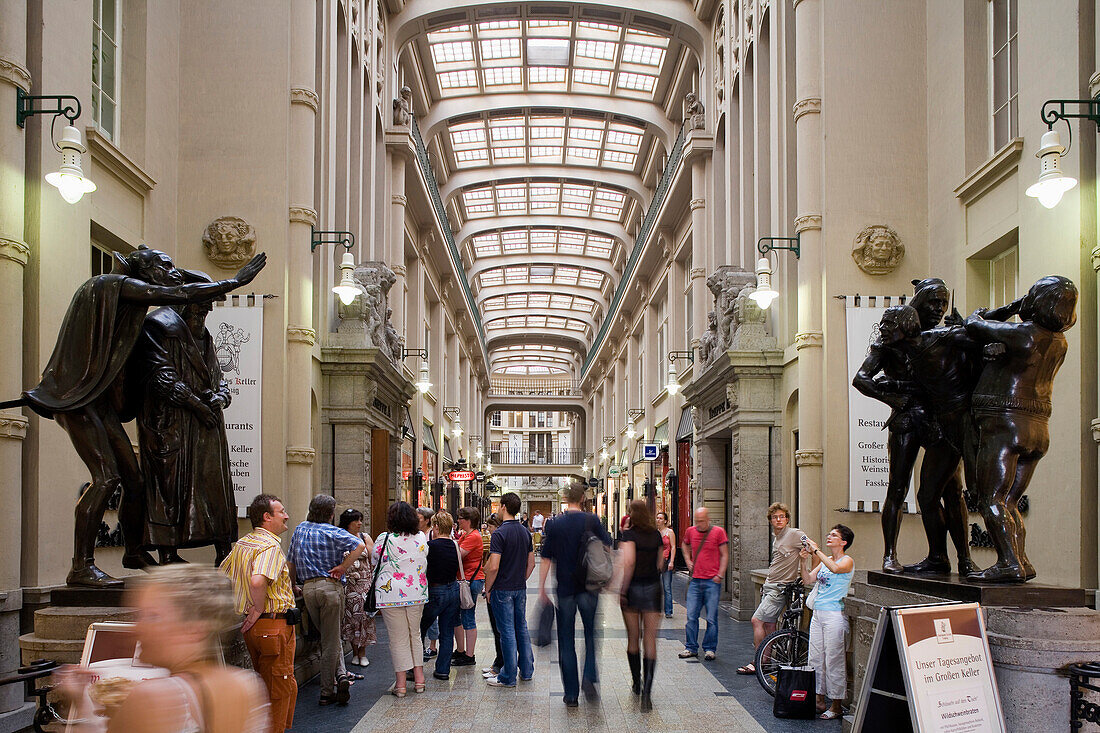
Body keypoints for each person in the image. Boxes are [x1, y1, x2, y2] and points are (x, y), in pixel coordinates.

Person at [12, 246, 265, 587]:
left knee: (135, 480)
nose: (171, 270)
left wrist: (212, 397)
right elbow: (174, 296)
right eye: (164, 265)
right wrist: (235, 281)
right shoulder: (110, 284)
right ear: (141, 269)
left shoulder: (140, 305)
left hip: (98, 399)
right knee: (106, 479)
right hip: (76, 397)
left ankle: (133, 551)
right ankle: (81, 567)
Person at [58, 564, 270, 733]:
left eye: (153, 616)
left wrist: (80, 705)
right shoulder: (249, 685)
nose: (138, 629)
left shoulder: (154, 698)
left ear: (195, 628)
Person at [130, 273, 236, 567]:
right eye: (201, 308)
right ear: (186, 302)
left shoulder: (203, 336)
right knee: (169, 488)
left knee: (215, 488)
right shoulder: (157, 327)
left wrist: (220, 397)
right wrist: (197, 406)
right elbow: (161, 379)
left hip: (205, 428)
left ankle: (223, 548)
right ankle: (167, 551)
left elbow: (219, 378)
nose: (204, 314)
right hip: (171, 424)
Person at [219, 494, 297, 732]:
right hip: (272, 625)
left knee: (270, 684)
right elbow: (257, 581)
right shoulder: (270, 546)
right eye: (281, 511)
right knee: (278, 688)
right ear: (267, 517)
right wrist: (258, 607)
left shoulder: (244, 544)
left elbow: (223, 573)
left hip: (257, 629)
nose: (286, 516)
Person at [285, 496, 364, 707]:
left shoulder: (300, 529)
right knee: (330, 641)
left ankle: (341, 676)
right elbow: (360, 545)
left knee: (327, 637)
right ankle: (327, 692)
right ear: (330, 514)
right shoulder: (332, 532)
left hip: (309, 588)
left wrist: (293, 586)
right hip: (331, 587)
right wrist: (343, 567)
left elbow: (291, 562)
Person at [538, 482, 612, 706]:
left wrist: (541, 588)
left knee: (566, 639)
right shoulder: (592, 520)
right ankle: (589, 677)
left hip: (565, 589)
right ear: (582, 498)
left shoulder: (555, 524)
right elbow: (607, 548)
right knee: (590, 634)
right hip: (589, 587)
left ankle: (571, 693)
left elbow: (547, 557)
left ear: (565, 498)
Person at [737, 502, 803, 676]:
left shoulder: (794, 534)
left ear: (787, 519)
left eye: (782, 516)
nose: (779, 520)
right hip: (770, 585)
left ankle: (758, 661)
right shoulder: (778, 537)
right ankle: (767, 660)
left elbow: (813, 549)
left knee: (756, 620)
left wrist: (808, 573)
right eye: (775, 517)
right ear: (771, 521)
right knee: (769, 624)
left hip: (779, 588)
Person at [372, 501, 428, 697]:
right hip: (416, 592)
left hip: (390, 595)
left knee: (398, 639)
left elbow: (374, 560)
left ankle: (401, 684)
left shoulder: (384, 538)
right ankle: (419, 680)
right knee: (415, 635)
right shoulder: (421, 537)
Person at [799, 525, 855, 720]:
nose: (829, 537)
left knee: (834, 659)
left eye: (834, 535)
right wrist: (803, 561)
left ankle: (837, 704)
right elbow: (807, 580)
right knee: (815, 657)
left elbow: (836, 569)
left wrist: (816, 551)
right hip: (818, 613)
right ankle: (819, 699)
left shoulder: (847, 561)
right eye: (829, 534)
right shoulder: (825, 560)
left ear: (844, 542)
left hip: (834, 615)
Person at [483, 492, 535, 688]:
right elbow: (531, 563)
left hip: (502, 588)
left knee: (506, 631)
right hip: (519, 588)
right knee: (521, 627)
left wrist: (488, 588)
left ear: (503, 506)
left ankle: (508, 676)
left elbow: (494, 565)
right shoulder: (525, 532)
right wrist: (521, 579)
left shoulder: (499, 533)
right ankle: (527, 670)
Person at [618, 500, 664, 711]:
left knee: (633, 639)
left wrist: (623, 589)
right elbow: (660, 564)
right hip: (654, 589)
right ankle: (647, 693)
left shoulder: (628, 535)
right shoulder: (656, 535)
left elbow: (628, 563)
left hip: (634, 589)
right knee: (650, 640)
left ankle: (636, 682)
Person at [678, 507, 729, 661]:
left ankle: (710, 648)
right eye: (696, 521)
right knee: (691, 616)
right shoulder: (690, 531)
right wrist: (687, 560)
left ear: (708, 519)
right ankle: (691, 647)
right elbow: (685, 545)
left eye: (701, 521)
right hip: (695, 581)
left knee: (712, 618)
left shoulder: (718, 532)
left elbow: (725, 554)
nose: (699, 524)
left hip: (712, 581)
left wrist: (720, 574)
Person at [421, 510, 462, 680]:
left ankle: (413, 668)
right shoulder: (455, 545)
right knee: (447, 632)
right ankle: (443, 670)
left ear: (436, 527)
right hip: (453, 589)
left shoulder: (430, 547)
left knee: (420, 629)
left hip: (435, 590)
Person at [337, 509, 376, 670]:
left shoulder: (364, 537)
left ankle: (363, 652)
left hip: (364, 583)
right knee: (351, 618)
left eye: (360, 520)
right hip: (349, 584)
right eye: (356, 521)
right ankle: (354, 652)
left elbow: (372, 557)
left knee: (365, 617)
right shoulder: (340, 537)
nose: (359, 523)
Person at [452, 506, 485, 667]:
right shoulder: (467, 535)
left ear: (468, 520)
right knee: (461, 616)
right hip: (466, 579)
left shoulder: (473, 537)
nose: (458, 521)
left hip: (471, 580)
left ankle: (469, 655)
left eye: (460, 518)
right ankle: (461, 650)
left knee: (468, 616)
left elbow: (458, 554)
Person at [480, 513, 505, 680]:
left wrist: (487, 589)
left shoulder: (497, 536)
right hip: (510, 587)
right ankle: (500, 662)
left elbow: (491, 567)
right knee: (504, 630)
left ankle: (500, 665)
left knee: (499, 630)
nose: (487, 530)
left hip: (497, 588)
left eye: (489, 526)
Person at [416, 507, 439, 659]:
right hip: (419, 579)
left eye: (419, 518)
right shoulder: (417, 534)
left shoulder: (431, 534)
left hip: (430, 578)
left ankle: (432, 645)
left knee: (431, 614)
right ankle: (422, 645)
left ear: (427, 520)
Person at [655, 511, 677, 618]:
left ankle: (668, 611)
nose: (658, 520)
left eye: (660, 518)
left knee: (667, 587)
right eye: (657, 518)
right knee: (655, 586)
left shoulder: (670, 532)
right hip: (656, 561)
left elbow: (673, 547)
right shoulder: (655, 532)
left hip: (667, 560)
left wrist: (672, 561)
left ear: (665, 521)